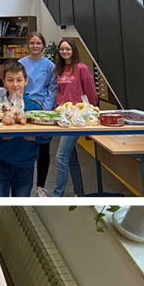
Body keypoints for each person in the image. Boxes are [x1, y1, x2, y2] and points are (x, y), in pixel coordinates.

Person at [0, 61, 42, 197]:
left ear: (26, 81)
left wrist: (36, 137)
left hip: (25, 165)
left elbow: (48, 136)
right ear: (4, 82)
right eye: (10, 80)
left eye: (19, 80)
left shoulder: (35, 107)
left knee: (21, 203)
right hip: (1, 164)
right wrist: (1, 136)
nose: (15, 85)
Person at [52, 38, 97, 197]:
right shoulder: (60, 69)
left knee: (61, 156)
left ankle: (57, 195)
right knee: (70, 157)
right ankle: (80, 192)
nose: (64, 52)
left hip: (77, 118)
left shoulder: (81, 68)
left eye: (68, 49)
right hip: (62, 117)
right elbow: (59, 92)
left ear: (73, 50)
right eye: (62, 49)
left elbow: (91, 94)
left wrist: (89, 113)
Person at [19, 31, 56, 196]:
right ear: (28, 45)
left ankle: (40, 187)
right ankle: (22, 186)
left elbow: (52, 89)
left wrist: (46, 109)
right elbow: (16, 85)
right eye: (32, 43)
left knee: (43, 148)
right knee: (24, 146)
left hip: (42, 110)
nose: (35, 46)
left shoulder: (49, 66)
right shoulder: (21, 63)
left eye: (38, 43)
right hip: (23, 108)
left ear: (43, 46)